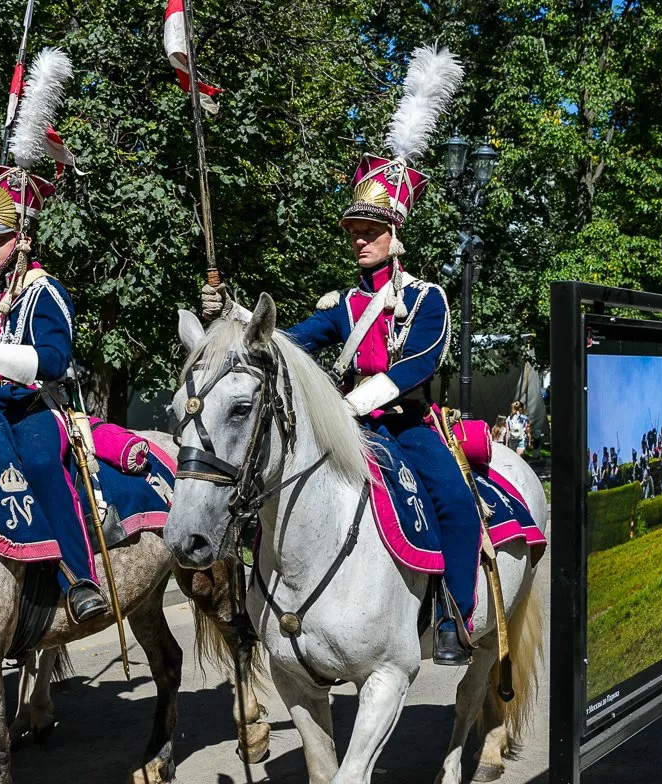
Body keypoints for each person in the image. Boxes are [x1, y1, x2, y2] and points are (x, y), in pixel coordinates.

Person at [200, 46, 478, 665]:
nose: (359, 240)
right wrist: (231, 311)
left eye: (370, 231)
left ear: (395, 233)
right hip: (348, 430)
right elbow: (285, 339)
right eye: (354, 232)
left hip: (406, 427)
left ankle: (457, 615)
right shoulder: (345, 306)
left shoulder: (426, 298)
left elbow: (420, 364)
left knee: (455, 505)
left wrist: (352, 401)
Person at [0, 72, 108, 623]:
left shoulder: (44, 290)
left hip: (39, 408)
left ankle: (79, 575)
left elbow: (54, 361)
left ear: (23, 239)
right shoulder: (0, 297)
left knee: (42, 463)